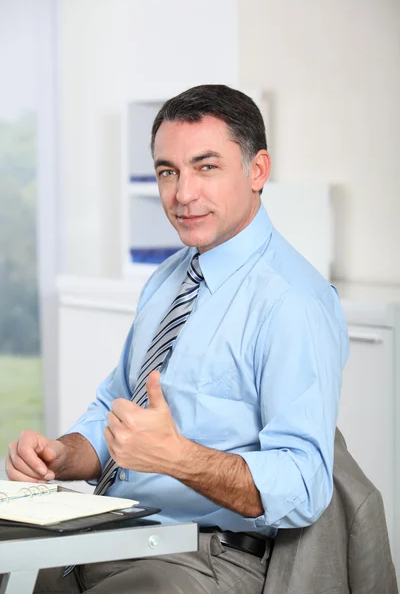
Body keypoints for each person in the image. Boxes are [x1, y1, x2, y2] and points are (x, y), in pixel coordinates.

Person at [6, 85, 349, 594]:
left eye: (206, 167)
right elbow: (115, 411)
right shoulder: (169, 279)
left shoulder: (293, 302)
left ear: (257, 171)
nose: (182, 193)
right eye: (168, 171)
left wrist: (178, 457)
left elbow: (304, 484)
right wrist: (61, 454)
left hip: (205, 558)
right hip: (111, 534)